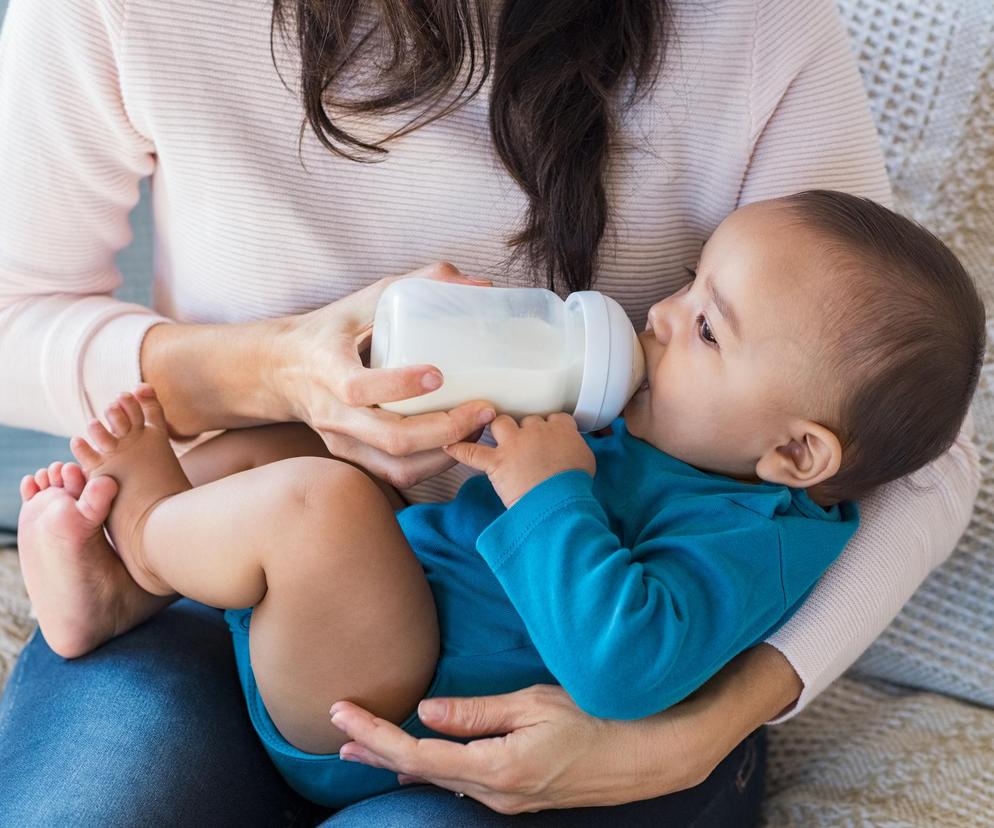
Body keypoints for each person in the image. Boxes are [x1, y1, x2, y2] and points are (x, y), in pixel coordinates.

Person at [0, 0, 980, 824]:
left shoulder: (753, 27)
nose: (661, 317)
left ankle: (143, 536)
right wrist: (259, 369)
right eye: (682, 284)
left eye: (708, 323)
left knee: (319, 515)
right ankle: (135, 560)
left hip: (505, 704)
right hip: (274, 602)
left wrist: (696, 733)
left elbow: (901, 445)